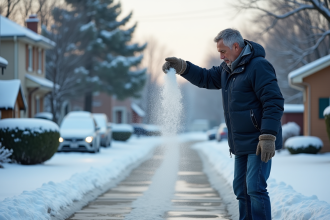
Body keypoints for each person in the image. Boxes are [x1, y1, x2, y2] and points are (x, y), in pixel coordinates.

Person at [162, 28, 284, 220]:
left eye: (223, 51)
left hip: (259, 140)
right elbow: (205, 77)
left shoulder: (259, 66)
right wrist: (183, 67)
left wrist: (268, 135)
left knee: (255, 188)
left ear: (236, 46)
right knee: (241, 190)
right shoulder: (227, 70)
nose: (221, 57)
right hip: (240, 142)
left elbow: (274, 101)